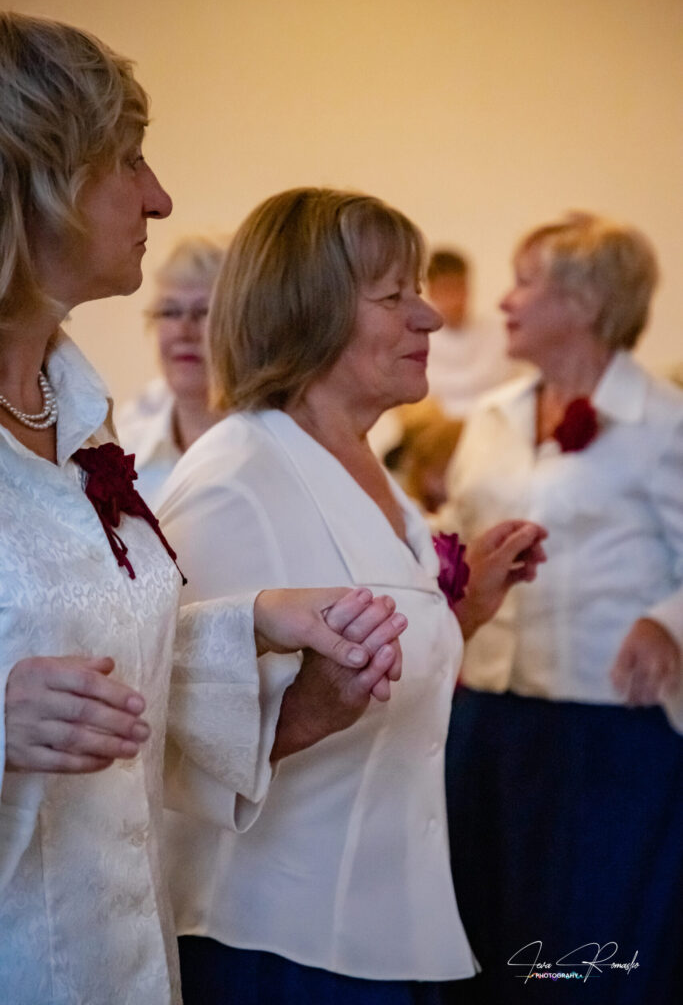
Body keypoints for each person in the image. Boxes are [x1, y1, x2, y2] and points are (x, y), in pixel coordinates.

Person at [0, 15, 405, 1004]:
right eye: (128, 160)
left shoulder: (76, 412)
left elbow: (92, 653)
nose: (159, 196)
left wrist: (258, 631)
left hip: (121, 955)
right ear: (40, 177)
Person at [158, 187, 547, 1005]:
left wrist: (464, 613)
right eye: (395, 295)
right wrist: (303, 713)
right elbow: (168, 728)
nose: (430, 317)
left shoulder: (368, 468)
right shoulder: (235, 478)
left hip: (389, 928)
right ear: (309, 311)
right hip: (278, 941)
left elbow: (375, 666)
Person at [440, 212, 683, 1004]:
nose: (502, 302)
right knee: (491, 933)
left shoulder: (664, 424)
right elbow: (456, 539)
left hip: (611, 728)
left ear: (585, 301)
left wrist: (665, 623)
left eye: (524, 282)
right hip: (487, 715)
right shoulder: (490, 418)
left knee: (587, 947)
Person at [117, 235, 228, 505]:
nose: (183, 331)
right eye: (170, 312)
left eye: (204, 312)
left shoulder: (273, 439)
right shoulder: (124, 446)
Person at [425, 248, 518, 418]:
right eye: (446, 290)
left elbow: (504, 382)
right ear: (431, 292)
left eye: (460, 288)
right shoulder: (420, 340)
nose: (456, 300)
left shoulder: (497, 331)